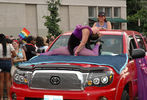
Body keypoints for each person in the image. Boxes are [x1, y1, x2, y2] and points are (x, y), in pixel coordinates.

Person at [0, 34, 16, 100]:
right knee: (8, 81)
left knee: (1, 81)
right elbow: (14, 54)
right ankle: (9, 97)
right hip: (8, 62)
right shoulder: (10, 45)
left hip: (0, 62)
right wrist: (9, 57)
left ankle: (1, 97)